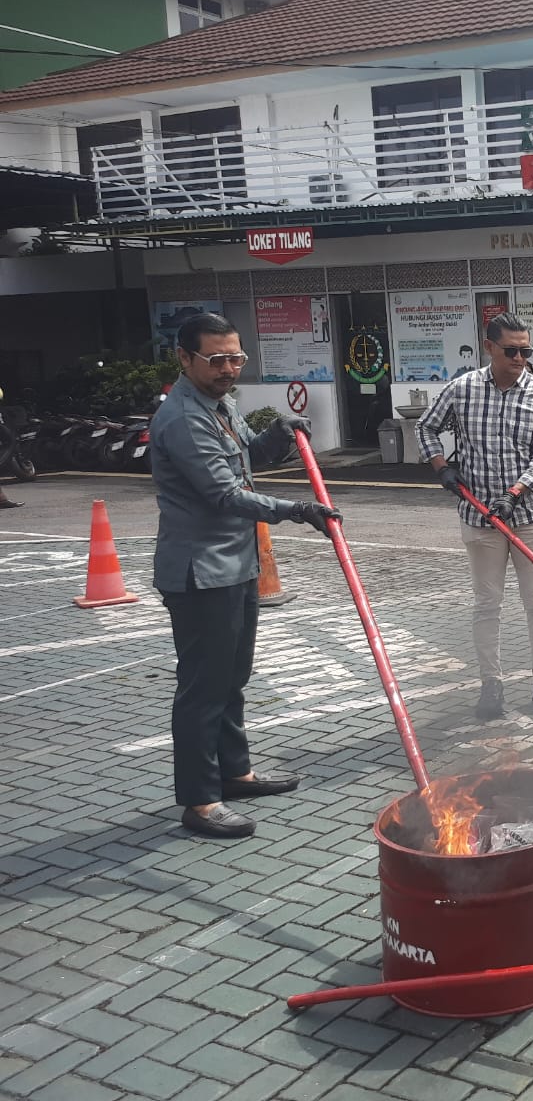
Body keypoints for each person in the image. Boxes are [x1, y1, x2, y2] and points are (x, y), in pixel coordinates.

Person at [149, 313, 339, 838]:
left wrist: (278, 434)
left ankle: (234, 773)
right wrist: (295, 510)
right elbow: (224, 494)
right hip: (200, 574)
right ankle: (200, 801)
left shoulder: (221, 404)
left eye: (236, 358)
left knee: (232, 678)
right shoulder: (183, 418)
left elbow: (247, 458)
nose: (229, 369)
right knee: (203, 688)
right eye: (217, 360)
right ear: (185, 358)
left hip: (235, 567)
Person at [418, 312, 533, 721]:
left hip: (531, 515)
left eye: (526, 351)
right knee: (487, 605)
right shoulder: (462, 389)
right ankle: (491, 686)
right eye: (511, 351)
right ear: (489, 348)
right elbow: (426, 428)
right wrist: (441, 467)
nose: (519, 359)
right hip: (479, 515)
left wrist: (514, 494)